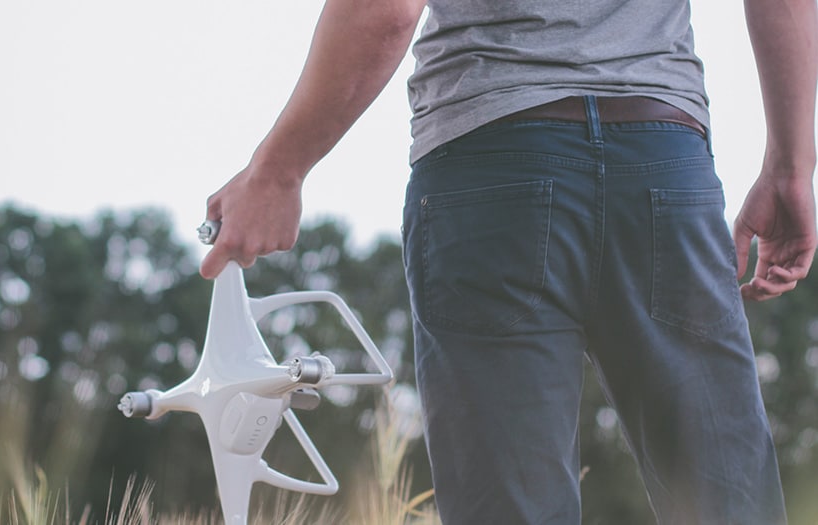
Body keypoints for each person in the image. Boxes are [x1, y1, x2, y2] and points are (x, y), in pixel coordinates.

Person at [199, 0, 817, 523]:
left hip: (492, 166)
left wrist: (279, 172)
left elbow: (386, 10)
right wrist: (792, 167)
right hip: (663, 166)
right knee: (727, 499)